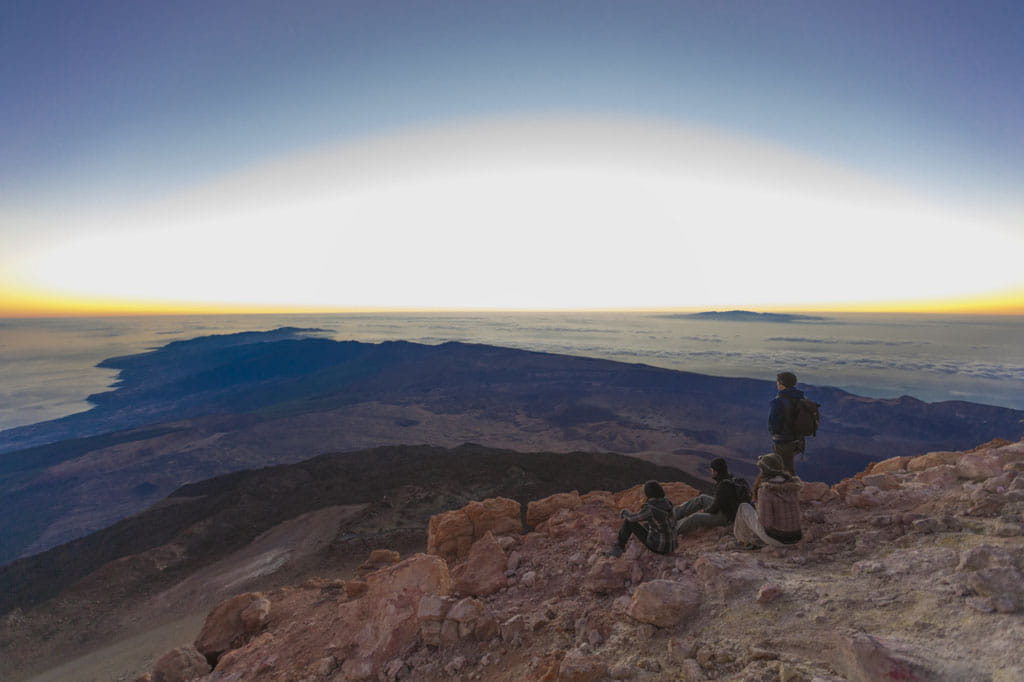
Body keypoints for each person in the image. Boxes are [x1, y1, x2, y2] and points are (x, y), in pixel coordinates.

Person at [734, 453, 803, 548]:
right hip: (796, 537)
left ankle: (742, 542)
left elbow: (766, 523)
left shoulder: (766, 490)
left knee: (744, 507)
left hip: (778, 540)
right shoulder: (792, 485)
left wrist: (758, 510)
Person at [673, 457, 742, 536]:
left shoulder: (724, 486)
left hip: (725, 518)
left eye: (712, 470)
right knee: (702, 498)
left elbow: (715, 507)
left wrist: (705, 511)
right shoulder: (729, 479)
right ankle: (674, 515)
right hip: (727, 511)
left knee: (696, 517)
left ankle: (672, 530)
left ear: (716, 471)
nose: (711, 473)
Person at [607, 480, 676, 557]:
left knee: (629, 522)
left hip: (659, 547)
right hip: (671, 546)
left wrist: (625, 512)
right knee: (647, 524)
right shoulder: (667, 503)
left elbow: (632, 518)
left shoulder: (650, 509)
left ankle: (619, 548)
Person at [768, 371, 807, 475]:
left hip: (783, 441)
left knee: (783, 469)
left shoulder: (778, 401)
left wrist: (774, 434)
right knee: (788, 466)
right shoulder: (801, 398)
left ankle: (792, 489)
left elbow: (773, 423)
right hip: (799, 440)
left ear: (781, 384)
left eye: (777, 382)